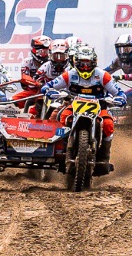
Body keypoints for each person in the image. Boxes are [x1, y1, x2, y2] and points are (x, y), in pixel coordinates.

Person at [43, 41, 127, 169]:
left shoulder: (103, 75)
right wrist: (49, 91)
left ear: (94, 62)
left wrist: (120, 98)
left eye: (88, 63)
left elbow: (119, 92)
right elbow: (48, 86)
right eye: (82, 63)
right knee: (63, 117)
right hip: (74, 106)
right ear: (76, 62)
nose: (86, 67)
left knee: (108, 124)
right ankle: (61, 149)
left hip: (99, 107)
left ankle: (104, 155)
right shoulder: (70, 74)